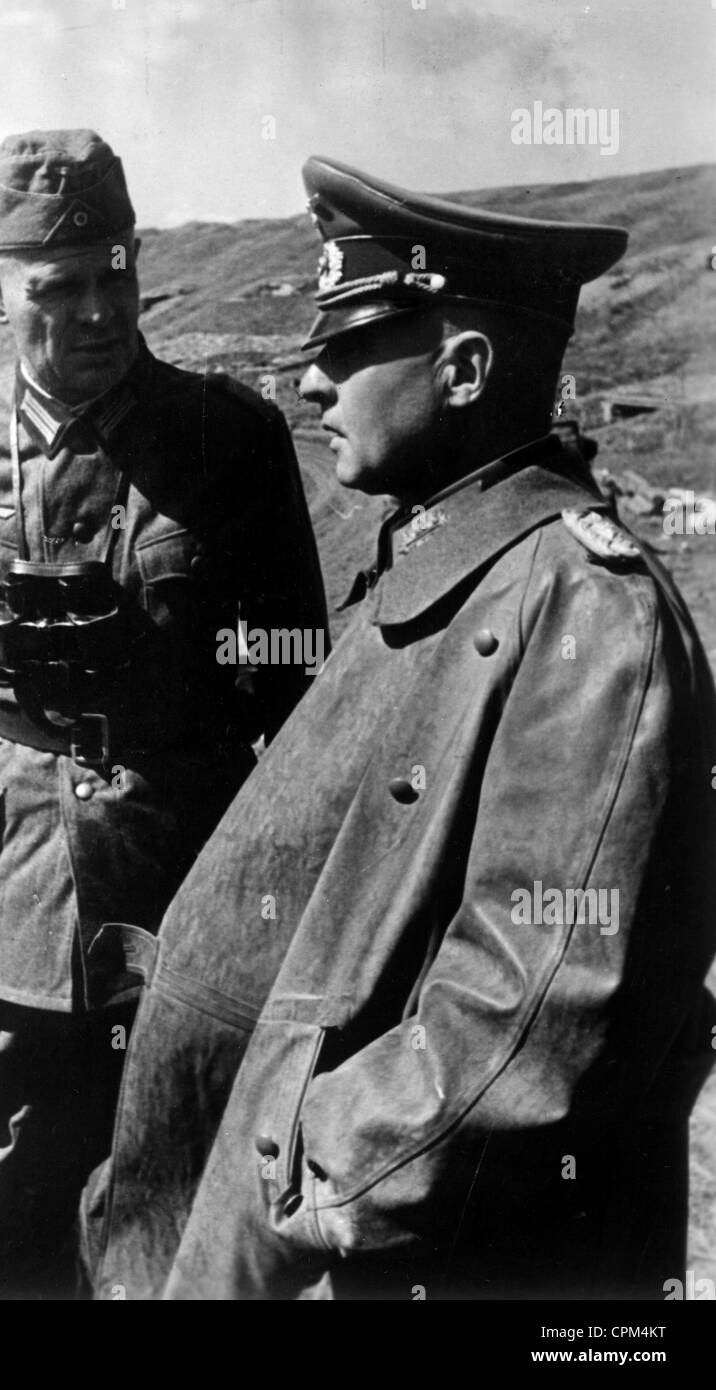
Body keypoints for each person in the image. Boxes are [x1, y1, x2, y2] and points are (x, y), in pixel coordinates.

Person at [80, 156, 716, 1301]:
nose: (310, 382)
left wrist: (298, 1163)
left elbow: (525, 1019)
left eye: (345, 348)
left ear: (465, 367)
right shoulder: (443, 559)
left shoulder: (585, 610)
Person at [0, 129, 327, 1299]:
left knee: (142, 1142)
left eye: (114, 274)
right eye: (57, 288)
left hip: (173, 852)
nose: (95, 312)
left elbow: (290, 675)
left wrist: (272, 889)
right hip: (3, 858)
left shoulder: (226, 438)